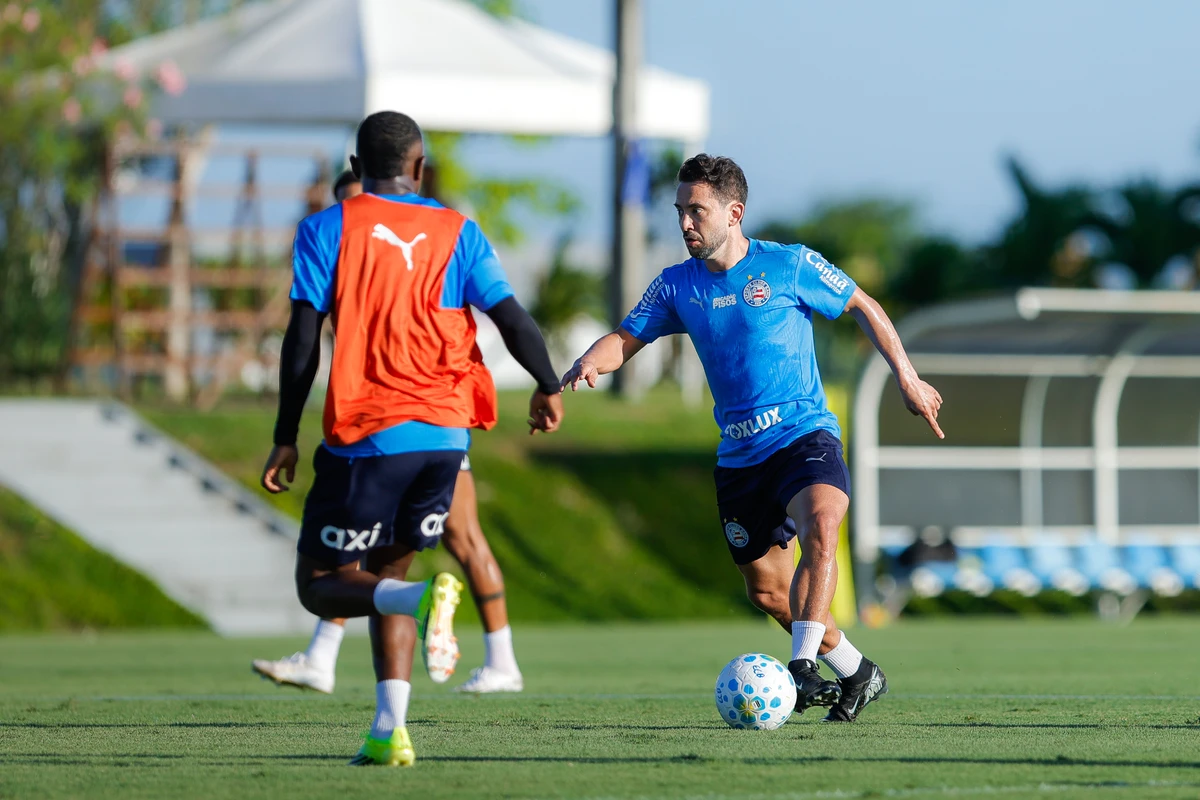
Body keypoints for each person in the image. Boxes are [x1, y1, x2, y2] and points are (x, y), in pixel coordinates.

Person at [561, 154, 943, 723]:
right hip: (741, 458)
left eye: (697, 211)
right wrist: (589, 362)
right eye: (680, 210)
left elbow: (862, 304)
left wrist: (907, 378)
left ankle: (801, 667)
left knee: (822, 524)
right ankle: (858, 671)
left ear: (734, 213)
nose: (685, 222)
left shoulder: (788, 265)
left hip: (804, 436)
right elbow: (625, 337)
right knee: (768, 593)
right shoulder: (676, 285)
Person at [260, 111, 563, 766]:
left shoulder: (327, 228)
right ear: (419, 168)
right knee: (385, 574)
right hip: (446, 439)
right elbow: (511, 318)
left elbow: (303, 340)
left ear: (355, 168)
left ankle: (425, 602)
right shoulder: (460, 231)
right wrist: (547, 383)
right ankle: (387, 730)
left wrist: (285, 435)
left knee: (321, 583)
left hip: (370, 435)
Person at [253, 170, 527, 697]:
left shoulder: (421, 243)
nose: (356, 217)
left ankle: (502, 660)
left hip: (419, 420)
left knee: (460, 540)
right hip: (407, 424)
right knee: (366, 555)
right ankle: (326, 660)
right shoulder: (357, 249)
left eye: (358, 203)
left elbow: (494, 318)